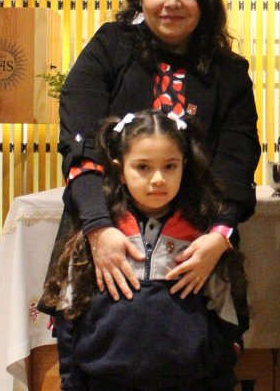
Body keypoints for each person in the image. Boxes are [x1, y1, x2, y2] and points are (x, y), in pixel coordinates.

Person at [39, 0, 260, 382]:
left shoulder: (228, 70)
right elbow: (80, 140)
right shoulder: (110, 46)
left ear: (205, 1)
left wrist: (219, 235)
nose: (172, 2)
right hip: (104, 223)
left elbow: (237, 159)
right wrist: (98, 229)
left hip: (197, 233)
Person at [41, 110, 244, 389]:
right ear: (120, 171)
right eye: (143, 167)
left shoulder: (201, 237)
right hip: (104, 383)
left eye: (170, 166)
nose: (158, 178)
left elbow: (223, 315)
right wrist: (72, 382)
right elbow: (69, 309)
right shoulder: (99, 237)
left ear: (184, 167)